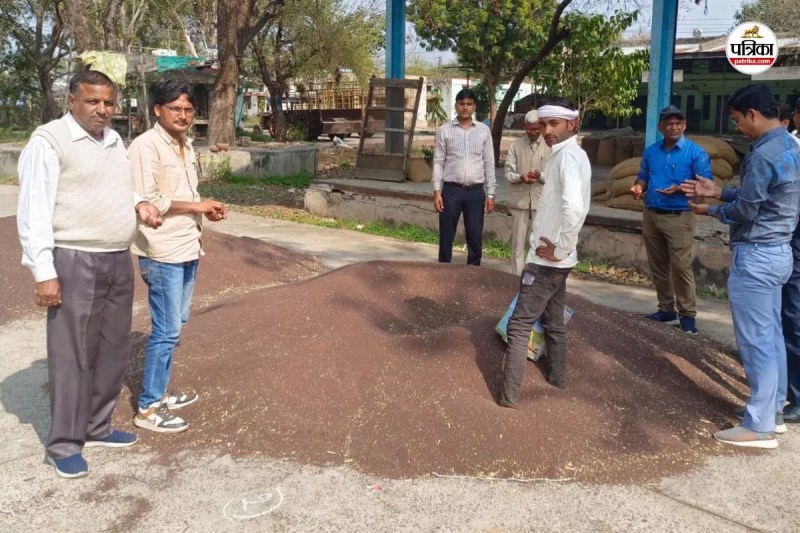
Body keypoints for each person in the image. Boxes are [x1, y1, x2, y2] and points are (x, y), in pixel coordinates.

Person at [16, 70, 163, 478]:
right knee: (72, 353)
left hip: (116, 258)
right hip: (74, 259)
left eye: (108, 103)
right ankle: (63, 444)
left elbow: (114, 186)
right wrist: (43, 271)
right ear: (71, 101)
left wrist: (139, 203)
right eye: (92, 101)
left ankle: (97, 426)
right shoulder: (49, 142)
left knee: (113, 348)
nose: (102, 110)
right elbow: (34, 211)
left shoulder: (113, 140)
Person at [680, 84, 800, 449]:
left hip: (757, 255)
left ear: (753, 114)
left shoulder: (762, 154)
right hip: (780, 252)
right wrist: (719, 191)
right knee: (772, 335)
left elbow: (747, 209)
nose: (737, 128)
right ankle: (773, 410)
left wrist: (712, 210)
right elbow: (762, 197)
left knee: (756, 341)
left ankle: (759, 426)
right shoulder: (790, 147)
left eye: (736, 120)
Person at [128, 80, 227, 433]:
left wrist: (203, 210)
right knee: (166, 330)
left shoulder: (185, 144)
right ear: (158, 110)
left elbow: (185, 195)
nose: (183, 115)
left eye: (188, 109)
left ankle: (162, 393)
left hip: (187, 243)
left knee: (176, 324)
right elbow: (148, 199)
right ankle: (148, 408)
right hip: (162, 250)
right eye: (175, 109)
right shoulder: (146, 146)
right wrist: (198, 206)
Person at [498, 97, 592, 407]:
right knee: (553, 321)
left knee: (519, 326)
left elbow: (574, 209)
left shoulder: (567, 159)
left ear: (571, 124)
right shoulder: (568, 155)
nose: (547, 130)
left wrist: (560, 248)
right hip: (556, 260)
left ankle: (508, 398)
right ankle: (558, 381)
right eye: (544, 124)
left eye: (554, 124)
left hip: (547, 261)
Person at [630, 105, 711, 335]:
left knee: (681, 267)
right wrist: (638, 187)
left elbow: (706, 185)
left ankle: (687, 315)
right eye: (668, 123)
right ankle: (666, 309)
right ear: (660, 127)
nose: (673, 127)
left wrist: (679, 188)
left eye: (677, 123)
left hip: (679, 216)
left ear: (684, 126)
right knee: (658, 265)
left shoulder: (695, 153)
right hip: (652, 214)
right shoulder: (651, 152)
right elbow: (643, 176)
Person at [432, 88, 496, 266]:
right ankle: (444, 271)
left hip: (475, 192)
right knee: (446, 236)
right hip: (451, 191)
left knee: (475, 236)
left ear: (474, 107)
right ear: (456, 106)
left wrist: (491, 194)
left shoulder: (483, 131)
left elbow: (489, 163)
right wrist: (437, 191)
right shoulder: (444, 130)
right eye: (461, 104)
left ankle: (473, 273)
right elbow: (438, 161)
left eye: (469, 104)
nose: (465, 107)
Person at [504, 110, 551, 275]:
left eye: (537, 129)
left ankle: (535, 279)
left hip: (541, 202)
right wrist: (520, 177)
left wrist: (540, 176)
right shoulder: (515, 145)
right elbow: (508, 173)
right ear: (525, 127)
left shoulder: (550, 146)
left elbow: (554, 176)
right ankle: (517, 278)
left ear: (541, 127)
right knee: (517, 245)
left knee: (539, 243)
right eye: (530, 129)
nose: (533, 132)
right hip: (520, 202)